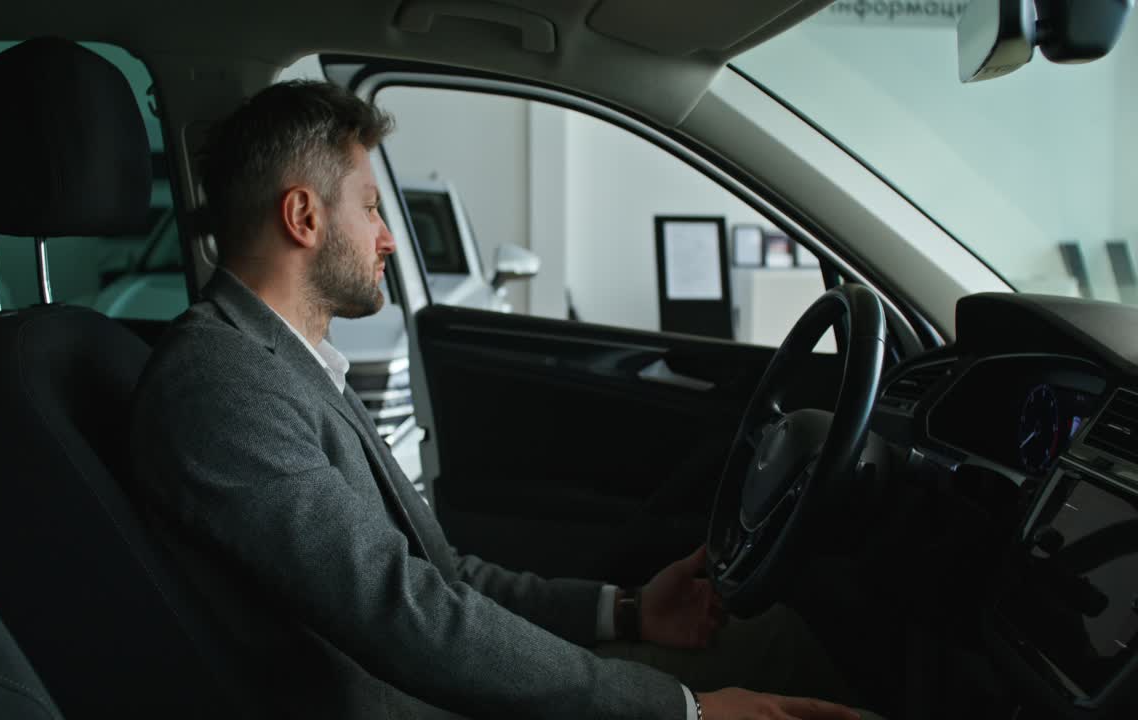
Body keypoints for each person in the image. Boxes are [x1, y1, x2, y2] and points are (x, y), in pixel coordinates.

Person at [130, 79, 868, 720]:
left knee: (772, 640)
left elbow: (442, 577)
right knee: (782, 655)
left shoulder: (282, 363)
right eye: (371, 208)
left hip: (429, 687)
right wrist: (685, 711)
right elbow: (404, 613)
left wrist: (630, 610)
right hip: (415, 703)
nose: (387, 238)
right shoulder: (220, 383)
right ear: (304, 218)